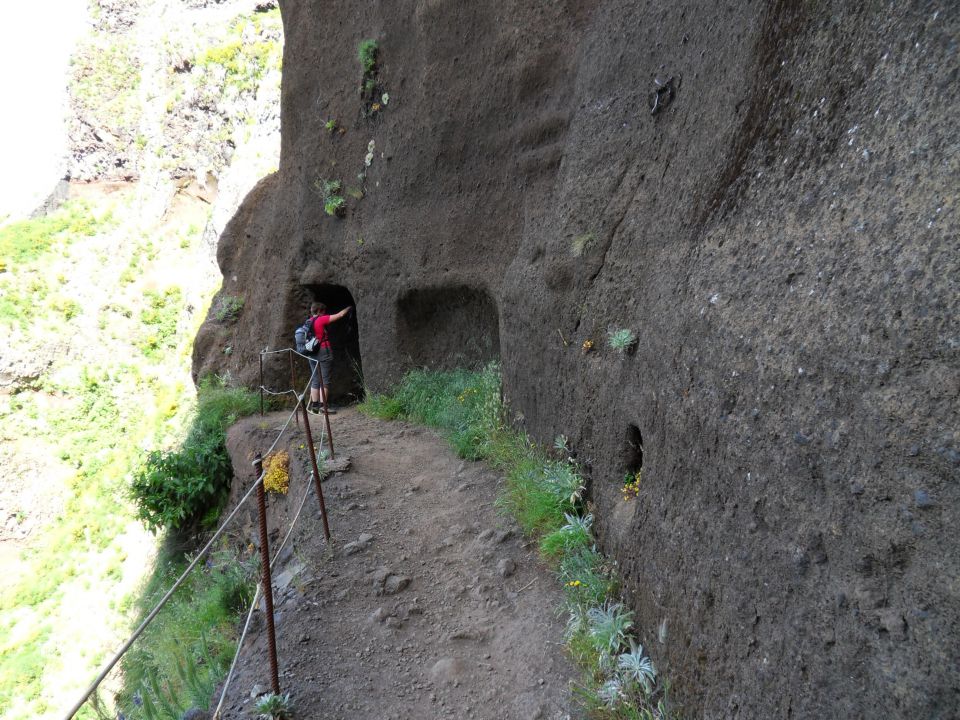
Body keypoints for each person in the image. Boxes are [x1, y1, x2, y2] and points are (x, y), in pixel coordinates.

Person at [306, 302, 352, 415]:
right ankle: (323, 407)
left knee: (315, 379)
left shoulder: (308, 321)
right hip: (323, 351)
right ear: (319, 311)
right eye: (323, 311)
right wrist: (349, 307)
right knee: (325, 379)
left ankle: (315, 406)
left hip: (311, 352)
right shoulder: (321, 319)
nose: (325, 313)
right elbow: (340, 315)